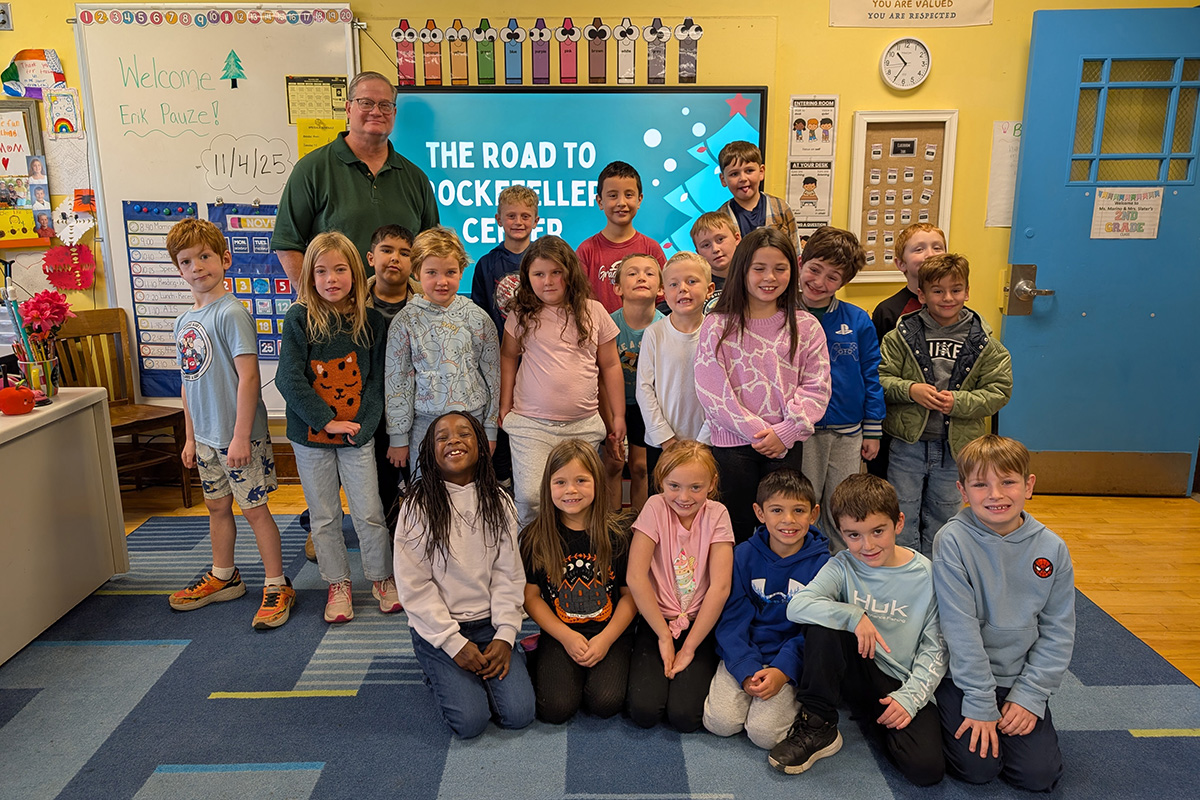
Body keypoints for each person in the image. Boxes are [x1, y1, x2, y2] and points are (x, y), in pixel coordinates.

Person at [770, 474, 946, 785]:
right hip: (853, 670)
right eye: (854, 535)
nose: (868, 546)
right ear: (841, 533)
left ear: (898, 523)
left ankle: (872, 717)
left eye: (878, 531)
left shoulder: (927, 575)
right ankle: (819, 724)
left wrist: (910, 698)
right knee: (822, 624)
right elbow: (796, 607)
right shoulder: (841, 565)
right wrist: (853, 616)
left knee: (925, 770)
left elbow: (937, 647)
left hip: (896, 678)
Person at [165, 219, 292, 630]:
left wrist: (239, 437)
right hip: (205, 438)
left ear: (225, 259)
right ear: (179, 270)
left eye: (205, 256)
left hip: (239, 438)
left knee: (254, 510)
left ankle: (277, 584)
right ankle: (224, 576)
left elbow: (249, 378)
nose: (197, 267)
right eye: (187, 261)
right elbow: (187, 382)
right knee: (217, 506)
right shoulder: (183, 322)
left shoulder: (231, 312)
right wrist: (190, 437)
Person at [933, 435, 1074, 792]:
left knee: (1038, 776)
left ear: (1029, 486)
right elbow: (959, 629)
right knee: (977, 769)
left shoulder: (1052, 548)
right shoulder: (952, 540)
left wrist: (1030, 696)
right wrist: (980, 701)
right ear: (963, 491)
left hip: (1019, 677)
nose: (995, 495)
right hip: (963, 678)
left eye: (1008, 482)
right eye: (981, 485)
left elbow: (1058, 631)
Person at [276, 231, 399, 622]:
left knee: (369, 511)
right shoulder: (299, 318)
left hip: (357, 437)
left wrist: (363, 426)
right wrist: (327, 420)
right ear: (310, 276)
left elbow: (377, 381)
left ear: (356, 273)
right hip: (311, 438)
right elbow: (288, 379)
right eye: (321, 271)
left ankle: (381, 577)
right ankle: (338, 583)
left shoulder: (371, 322)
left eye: (340, 269)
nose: (331, 279)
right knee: (325, 515)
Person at [394, 411, 534, 739]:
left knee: (519, 715)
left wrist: (505, 634)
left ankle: (488, 668)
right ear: (429, 453)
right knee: (471, 723)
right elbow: (414, 586)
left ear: (482, 447)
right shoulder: (417, 506)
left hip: (490, 624)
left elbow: (508, 573)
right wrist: (453, 643)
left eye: (464, 433)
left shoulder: (499, 501)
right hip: (441, 629)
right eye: (442, 437)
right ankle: (436, 667)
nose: (453, 440)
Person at [694, 227, 831, 543]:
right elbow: (711, 389)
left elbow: (818, 386)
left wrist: (784, 433)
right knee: (734, 530)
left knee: (782, 530)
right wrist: (756, 431)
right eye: (759, 268)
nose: (769, 277)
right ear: (742, 270)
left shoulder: (806, 326)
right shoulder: (717, 325)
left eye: (780, 268)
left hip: (785, 445)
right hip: (732, 448)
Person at [879, 253, 1013, 557]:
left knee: (946, 512)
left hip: (957, 448)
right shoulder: (901, 336)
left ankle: (940, 569)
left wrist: (959, 402)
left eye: (956, 290)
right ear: (921, 294)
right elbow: (879, 377)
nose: (948, 298)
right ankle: (907, 570)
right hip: (907, 444)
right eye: (938, 291)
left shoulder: (984, 342)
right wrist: (910, 390)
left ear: (967, 292)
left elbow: (999, 390)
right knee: (902, 511)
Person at [499, 235, 625, 526]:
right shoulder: (521, 314)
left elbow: (610, 365)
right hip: (531, 424)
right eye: (539, 274)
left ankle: (573, 550)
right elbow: (508, 356)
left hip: (583, 424)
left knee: (578, 500)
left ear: (570, 273)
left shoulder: (593, 311)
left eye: (556, 272)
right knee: (531, 497)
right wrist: (504, 404)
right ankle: (530, 553)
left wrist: (618, 416)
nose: (548, 281)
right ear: (527, 278)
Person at [271, 71, 439, 283]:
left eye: (385, 105)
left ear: (394, 112)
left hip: (404, 304)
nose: (376, 112)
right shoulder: (311, 169)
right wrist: (311, 298)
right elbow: (287, 244)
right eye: (366, 103)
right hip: (337, 303)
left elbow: (432, 250)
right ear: (349, 108)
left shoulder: (416, 178)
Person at [703, 470, 829, 749]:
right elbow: (731, 618)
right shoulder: (742, 555)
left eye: (799, 510)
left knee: (765, 736)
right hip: (744, 651)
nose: (788, 520)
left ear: (814, 514)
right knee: (720, 723)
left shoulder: (824, 565)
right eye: (777, 510)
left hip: (788, 660)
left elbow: (813, 631)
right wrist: (745, 669)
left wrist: (783, 671)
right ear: (760, 513)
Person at [521, 440, 637, 723]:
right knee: (555, 709)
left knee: (605, 702)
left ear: (597, 482)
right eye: (560, 482)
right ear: (548, 487)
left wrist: (606, 640)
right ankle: (538, 655)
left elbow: (631, 596)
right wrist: (565, 636)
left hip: (610, 632)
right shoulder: (535, 537)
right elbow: (531, 597)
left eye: (581, 480)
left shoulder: (619, 534)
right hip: (561, 632)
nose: (570, 490)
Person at [625, 440, 734, 731]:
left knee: (684, 717)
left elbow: (720, 587)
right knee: (644, 711)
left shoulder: (718, 514)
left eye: (695, 487)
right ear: (661, 481)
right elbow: (635, 576)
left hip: (700, 624)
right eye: (674, 486)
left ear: (712, 484)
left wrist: (689, 647)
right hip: (656, 620)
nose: (684, 497)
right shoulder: (655, 506)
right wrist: (663, 635)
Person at [385, 227, 500, 476]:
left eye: (450, 272)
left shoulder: (478, 318)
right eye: (431, 273)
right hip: (425, 423)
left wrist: (490, 429)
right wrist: (398, 436)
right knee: (426, 488)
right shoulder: (405, 321)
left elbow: (492, 375)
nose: (442, 281)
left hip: (472, 420)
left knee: (472, 485)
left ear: (461, 271)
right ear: (417, 272)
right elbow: (397, 381)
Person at [796, 227, 885, 549]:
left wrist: (872, 429)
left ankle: (840, 563)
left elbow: (871, 375)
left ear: (844, 283)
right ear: (801, 262)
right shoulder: (781, 314)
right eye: (815, 270)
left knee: (842, 504)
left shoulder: (857, 320)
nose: (820, 282)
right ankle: (807, 561)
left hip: (848, 432)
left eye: (832, 277)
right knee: (805, 502)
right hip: (802, 431)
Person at [869, 223, 947, 482]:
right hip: (899, 425)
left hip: (943, 427)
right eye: (919, 249)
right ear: (900, 264)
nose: (930, 254)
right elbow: (878, 372)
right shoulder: (889, 311)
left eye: (937, 247)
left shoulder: (954, 309)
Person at [636, 251, 715, 489]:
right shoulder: (654, 333)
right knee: (662, 499)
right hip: (662, 443)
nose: (682, 289)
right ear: (663, 291)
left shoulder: (717, 333)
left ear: (710, 289)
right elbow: (644, 389)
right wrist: (665, 438)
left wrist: (703, 441)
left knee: (702, 499)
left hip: (707, 441)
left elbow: (722, 393)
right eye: (673, 284)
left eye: (691, 281)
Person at [365, 224, 419, 533]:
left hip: (417, 410)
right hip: (370, 412)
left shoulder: (428, 301)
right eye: (387, 250)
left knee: (419, 483)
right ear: (371, 257)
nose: (395, 258)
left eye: (404, 253)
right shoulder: (351, 301)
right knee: (379, 485)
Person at [606, 253, 664, 513]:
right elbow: (601, 374)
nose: (641, 277)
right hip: (613, 403)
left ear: (661, 288)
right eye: (632, 273)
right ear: (618, 288)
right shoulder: (609, 325)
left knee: (640, 467)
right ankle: (611, 526)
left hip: (647, 406)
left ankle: (640, 525)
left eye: (649, 273)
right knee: (613, 464)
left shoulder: (666, 326)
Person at [576, 161, 667, 313]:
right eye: (613, 196)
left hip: (647, 328)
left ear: (639, 200)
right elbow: (579, 300)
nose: (621, 203)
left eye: (629, 195)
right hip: (597, 328)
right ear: (600, 201)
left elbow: (665, 298)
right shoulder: (586, 251)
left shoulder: (651, 249)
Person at [471, 184, 540, 337]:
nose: (518, 222)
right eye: (511, 216)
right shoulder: (486, 264)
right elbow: (478, 314)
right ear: (499, 219)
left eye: (525, 216)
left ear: (535, 221)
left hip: (538, 344)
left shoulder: (545, 260)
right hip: (498, 345)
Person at [716, 141, 800, 252]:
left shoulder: (781, 208)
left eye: (749, 171)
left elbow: (795, 250)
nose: (743, 179)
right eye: (734, 174)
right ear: (723, 179)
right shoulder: (720, 219)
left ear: (761, 172)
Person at [690, 211, 740, 312]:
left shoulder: (753, 277)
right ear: (698, 252)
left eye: (720, 239)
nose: (715, 249)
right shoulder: (696, 287)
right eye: (706, 245)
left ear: (737, 238)